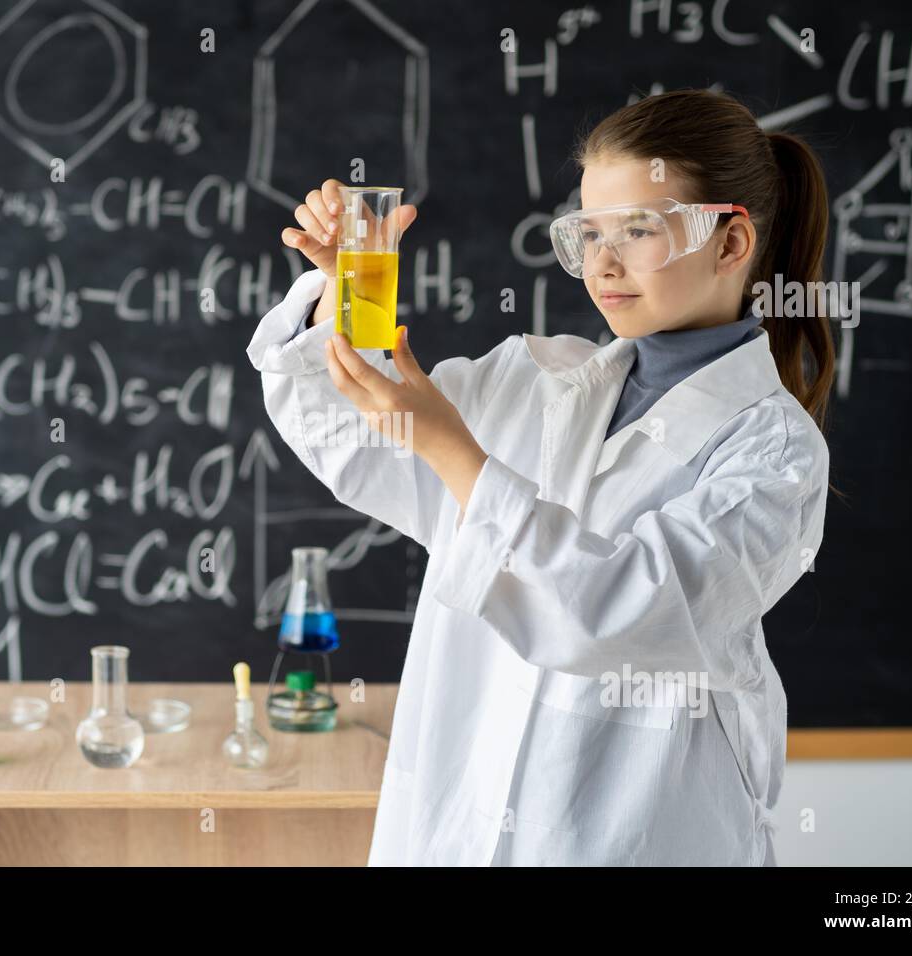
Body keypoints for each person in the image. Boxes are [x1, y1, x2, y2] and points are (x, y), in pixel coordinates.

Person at [245, 89, 836, 866]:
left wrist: (458, 452)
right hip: (454, 826)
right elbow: (351, 445)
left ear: (730, 245)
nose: (604, 261)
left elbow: (623, 613)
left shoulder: (774, 451)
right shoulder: (532, 379)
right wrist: (345, 293)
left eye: (639, 230)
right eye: (589, 232)